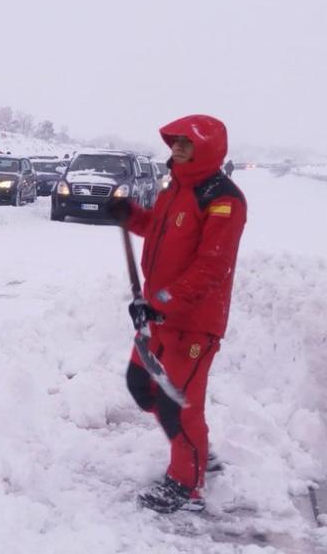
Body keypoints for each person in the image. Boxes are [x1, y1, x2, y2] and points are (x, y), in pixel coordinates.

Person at [108, 114, 246, 514]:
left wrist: (162, 301)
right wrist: (130, 214)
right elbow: (158, 229)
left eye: (187, 142)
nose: (178, 148)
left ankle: (188, 484)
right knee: (141, 384)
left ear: (207, 147)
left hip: (193, 323)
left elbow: (212, 266)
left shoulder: (223, 199)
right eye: (176, 142)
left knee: (177, 404)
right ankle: (194, 446)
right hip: (158, 316)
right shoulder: (175, 186)